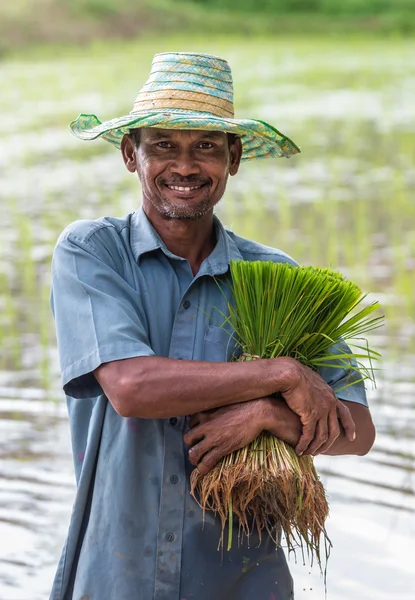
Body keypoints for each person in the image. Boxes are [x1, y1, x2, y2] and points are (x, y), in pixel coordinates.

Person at [50, 52, 376, 600]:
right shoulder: (92, 252)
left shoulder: (276, 277)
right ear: (131, 155)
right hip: (118, 575)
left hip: (245, 580)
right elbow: (131, 387)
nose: (184, 166)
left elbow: (358, 431)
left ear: (235, 157)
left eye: (206, 146)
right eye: (163, 146)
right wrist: (284, 374)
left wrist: (268, 413)